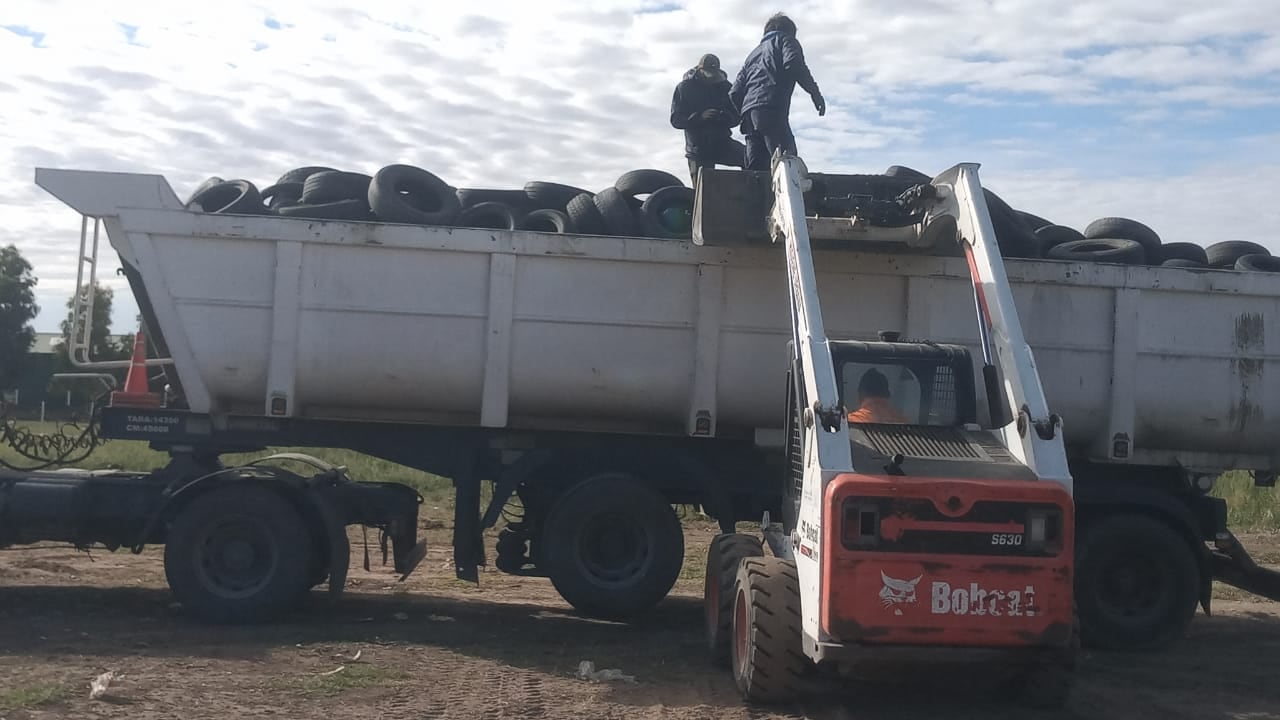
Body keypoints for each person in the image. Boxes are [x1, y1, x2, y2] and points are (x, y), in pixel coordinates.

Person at [729, 13, 825, 171]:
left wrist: (746, 111)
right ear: (790, 31)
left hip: (749, 116)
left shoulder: (752, 55)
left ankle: (756, 196)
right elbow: (794, 64)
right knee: (787, 163)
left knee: (756, 170)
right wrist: (815, 93)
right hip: (771, 108)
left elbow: (734, 92)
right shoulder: (786, 40)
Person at [669, 54, 746, 185]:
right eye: (707, 73)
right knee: (701, 191)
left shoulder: (726, 87)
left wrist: (724, 117)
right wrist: (700, 117)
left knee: (750, 158)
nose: (711, 76)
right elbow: (676, 119)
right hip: (698, 149)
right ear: (699, 70)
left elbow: (737, 116)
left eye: (713, 73)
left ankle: (749, 196)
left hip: (722, 143)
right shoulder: (684, 88)